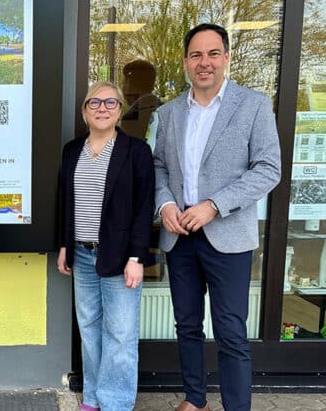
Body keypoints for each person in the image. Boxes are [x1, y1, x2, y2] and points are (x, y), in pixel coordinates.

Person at [154, 23, 281, 411]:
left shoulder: (253, 105)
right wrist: (166, 205)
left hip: (228, 235)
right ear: (185, 62)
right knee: (187, 326)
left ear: (226, 58)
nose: (204, 62)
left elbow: (268, 169)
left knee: (231, 332)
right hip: (180, 236)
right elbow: (159, 167)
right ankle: (195, 400)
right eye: (196, 55)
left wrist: (214, 205)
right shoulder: (169, 112)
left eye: (212, 53)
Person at [58, 81, 155, 411]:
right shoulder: (72, 151)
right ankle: (93, 398)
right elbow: (66, 202)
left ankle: (116, 404)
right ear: (85, 111)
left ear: (120, 110)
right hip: (81, 253)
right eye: (95, 102)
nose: (102, 108)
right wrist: (64, 245)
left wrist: (137, 256)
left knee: (120, 334)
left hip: (121, 256)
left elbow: (144, 207)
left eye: (110, 102)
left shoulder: (136, 151)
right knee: (89, 328)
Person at [120, 59, 163, 144]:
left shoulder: (131, 119)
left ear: (129, 85)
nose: (122, 89)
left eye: (123, 84)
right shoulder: (165, 110)